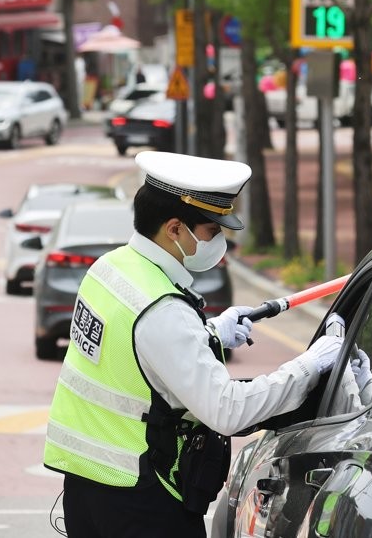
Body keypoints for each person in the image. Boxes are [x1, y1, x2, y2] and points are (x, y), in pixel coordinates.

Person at [43, 151, 345, 536]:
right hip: (141, 499)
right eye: (212, 231)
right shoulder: (163, 311)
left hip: (86, 485)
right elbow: (227, 412)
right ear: (174, 229)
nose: (218, 242)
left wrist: (211, 333)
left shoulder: (110, 269)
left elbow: (131, 354)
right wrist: (309, 365)